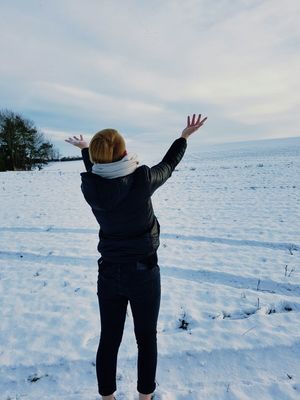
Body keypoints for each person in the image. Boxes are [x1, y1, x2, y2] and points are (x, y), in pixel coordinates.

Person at [65, 113, 207, 400]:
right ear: (125, 153)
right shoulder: (141, 180)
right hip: (144, 272)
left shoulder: (91, 186)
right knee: (146, 339)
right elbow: (168, 166)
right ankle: (145, 397)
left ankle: (107, 397)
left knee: (110, 338)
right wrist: (183, 137)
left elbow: (98, 172)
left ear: (96, 158)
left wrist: (84, 151)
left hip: (109, 274)